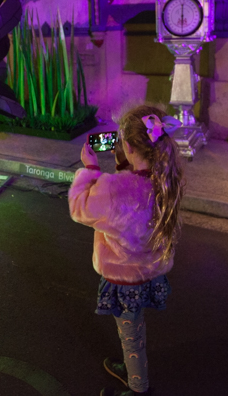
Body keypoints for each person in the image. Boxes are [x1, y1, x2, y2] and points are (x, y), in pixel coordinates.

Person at [68, 105, 185, 396]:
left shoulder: (113, 188)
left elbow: (80, 208)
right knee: (133, 329)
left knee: (131, 333)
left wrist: (90, 169)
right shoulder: (165, 179)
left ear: (128, 146)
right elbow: (135, 201)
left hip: (123, 278)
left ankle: (138, 386)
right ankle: (133, 368)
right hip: (149, 271)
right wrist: (123, 164)